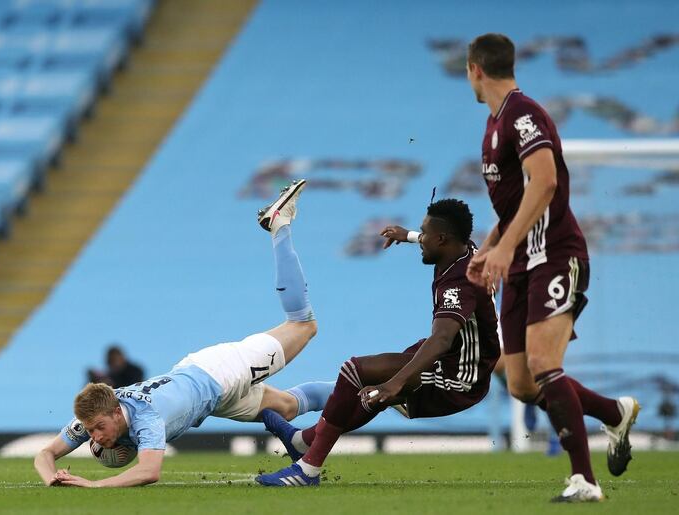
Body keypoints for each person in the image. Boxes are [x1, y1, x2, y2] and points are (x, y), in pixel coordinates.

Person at [33, 180, 334, 487]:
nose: (94, 437)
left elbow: (149, 472)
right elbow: (43, 455)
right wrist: (52, 480)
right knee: (287, 407)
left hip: (222, 372)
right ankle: (362, 390)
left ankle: (279, 223)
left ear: (114, 412)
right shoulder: (97, 412)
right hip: (207, 392)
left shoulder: (147, 418)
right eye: (91, 431)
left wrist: (92, 484)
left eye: (97, 428)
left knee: (303, 325)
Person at [464, 33, 639, 502]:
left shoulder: (524, 115)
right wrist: (492, 246)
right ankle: (613, 413)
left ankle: (584, 480)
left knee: (545, 363)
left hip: (556, 255)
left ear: (475, 69)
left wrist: (504, 249)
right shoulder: (493, 124)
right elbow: (515, 205)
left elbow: (545, 182)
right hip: (520, 263)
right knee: (520, 382)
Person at [256, 199, 501, 487]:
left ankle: (307, 469)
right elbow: (432, 239)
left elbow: (443, 338)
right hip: (454, 359)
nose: (421, 240)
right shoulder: (462, 249)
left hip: (459, 377)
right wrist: (407, 235)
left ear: (443, 239)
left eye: (425, 234)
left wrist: (396, 382)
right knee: (367, 393)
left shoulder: (459, 282)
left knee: (358, 372)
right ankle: (304, 441)